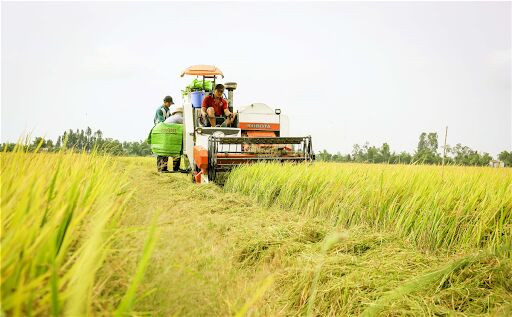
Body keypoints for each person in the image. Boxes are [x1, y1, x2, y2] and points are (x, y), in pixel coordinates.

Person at [153, 95, 174, 172]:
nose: (170, 104)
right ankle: (160, 169)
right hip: (160, 130)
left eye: (171, 103)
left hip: (166, 130)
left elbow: (171, 119)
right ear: (165, 102)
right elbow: (162, 121)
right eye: (169, 103)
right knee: (161, 149)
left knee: (166, 149)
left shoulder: (168, 110)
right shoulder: (160, 110)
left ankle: (164, 168)